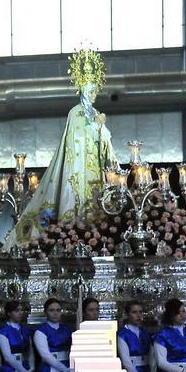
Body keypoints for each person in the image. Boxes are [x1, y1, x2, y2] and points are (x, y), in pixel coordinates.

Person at [12, 46, 117, 241]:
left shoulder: (95, 113)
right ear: (84, 89)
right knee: (78, 208)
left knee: (97, 206)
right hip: (78, 171)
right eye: (92, 91)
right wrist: (95, 127)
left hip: (95, 170)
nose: (95, 94)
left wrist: (102, 130)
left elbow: (103, 140)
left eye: (96, 91)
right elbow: (76, 138)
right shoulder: (75, 113)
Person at [34, 298, 73, 372]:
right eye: (52, 310)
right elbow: (45, 355)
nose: (55, 313)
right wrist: (64, 369)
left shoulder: (67, 329)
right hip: (49, 369)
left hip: (67, 368)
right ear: (46, 312)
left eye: (58, 310)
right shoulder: (41, 330)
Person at [0, 301, 35, 372]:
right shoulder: (3, 331)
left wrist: (32, 367)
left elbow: (30, 350)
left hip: (26, 366)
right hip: (10, 370)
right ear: (9, 313)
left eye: (21, 310)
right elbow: (7, 356)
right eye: (16, 310)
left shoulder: (25, 330)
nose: (20, 313)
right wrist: (23, 371)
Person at [117, 300, 153, 372]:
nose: (138, 315)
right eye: (134, 312)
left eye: (140, 312)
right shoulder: (123, 334)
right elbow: (126, 362)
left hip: (147, 371)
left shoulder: (145, 332)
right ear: (127, 314)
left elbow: (152, 357)